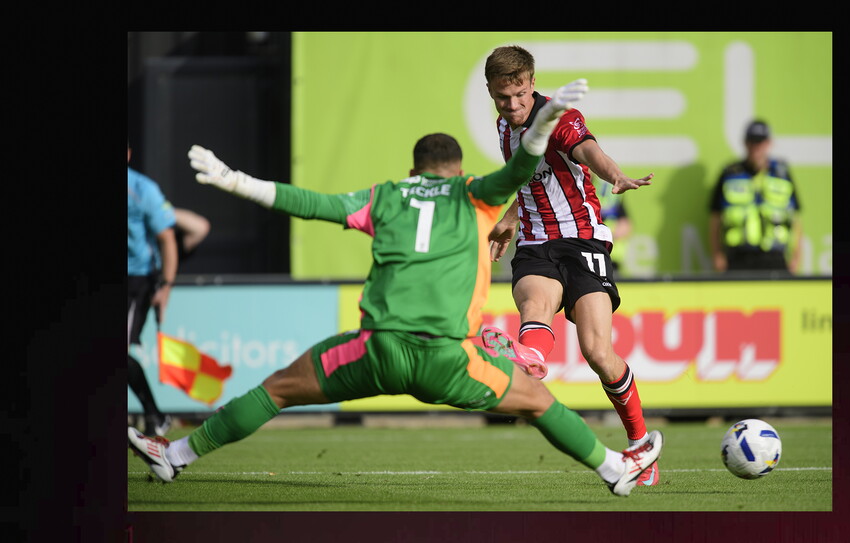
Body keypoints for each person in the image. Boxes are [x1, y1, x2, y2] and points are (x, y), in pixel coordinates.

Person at [127, 79, 664, 497]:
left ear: (413, 170)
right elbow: (523, 167)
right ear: (457, 173)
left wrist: (236, 181)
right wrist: (546, 121)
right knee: (540, 404)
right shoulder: (474, 195)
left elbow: (310, 203)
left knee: (277, 390)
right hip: (447, 360)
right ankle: (617, 468)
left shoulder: (385, 197)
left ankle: (174, 457)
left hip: (377, 349)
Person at [483, 46, 660, 484]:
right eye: (503, 97)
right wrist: (509, 220)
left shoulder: (556, 117)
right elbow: (526, 177)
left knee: (598, 352)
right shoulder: (504, 127)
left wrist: (614, 173)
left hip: (582, 240)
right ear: (491, 91)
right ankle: (530, 359)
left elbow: (586, 149)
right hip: (535, 242)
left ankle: (640, 447)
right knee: (535, 304)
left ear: (532, 82)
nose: (513, 105)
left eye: (520, 94)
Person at [128, 144, 178, 436]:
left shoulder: (142, 188)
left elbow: (168, 238)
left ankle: (154, 414)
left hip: (136, 280)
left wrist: (166, 286)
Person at [708, 120, 802, 274]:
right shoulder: (730, 174)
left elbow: (796, 218)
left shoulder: (782, 174)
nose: (755, 147)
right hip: (738, 257)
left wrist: (796, 257)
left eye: (760, 142)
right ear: (745, 143)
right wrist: (718, 255)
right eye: (751, 142)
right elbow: (715, 219)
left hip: (775, 257)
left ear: (769, 143)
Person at [596, 181, 631, 278]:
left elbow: (625, 225)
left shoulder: (608, 190)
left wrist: (609, 235)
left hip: (611, 257)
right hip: (585, 253)